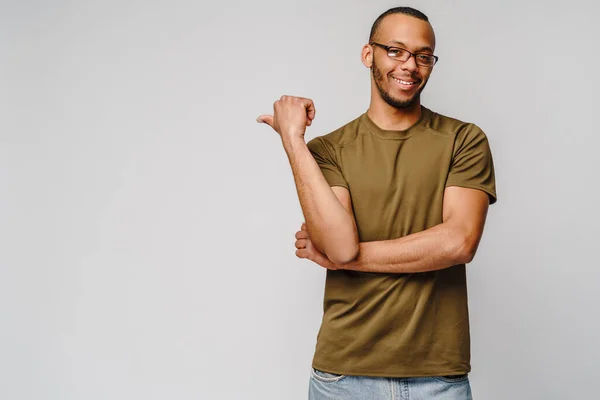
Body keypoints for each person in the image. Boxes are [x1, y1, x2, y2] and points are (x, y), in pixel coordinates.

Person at [257, 6, 496, 400]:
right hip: (343, 376)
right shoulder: (329, 150)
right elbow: (338, 244)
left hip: (438, 377)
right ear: (369, 55)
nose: (410, 66)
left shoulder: (464, 140)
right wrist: (293, 141)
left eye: (423, 55)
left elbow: (458, 243)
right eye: (395, 51)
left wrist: (343, 260)